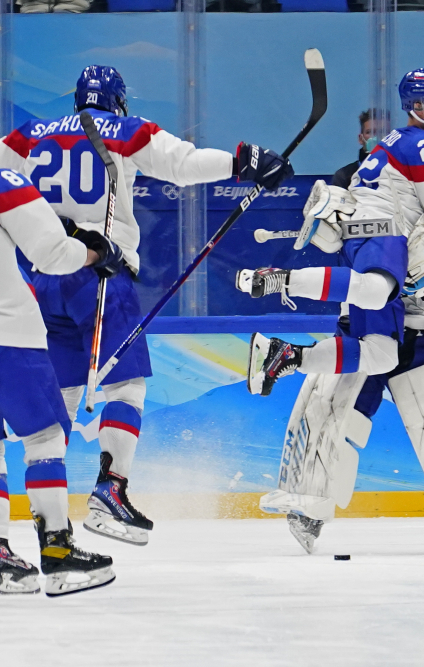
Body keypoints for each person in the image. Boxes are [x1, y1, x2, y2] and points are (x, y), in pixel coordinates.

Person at [0, 64, 293, 547]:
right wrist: (242, 160)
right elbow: (180, 162)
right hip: (100, 274)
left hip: (40, 278)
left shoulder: (30, 134)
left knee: (63, 405)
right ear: (117, 101)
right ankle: (109, 494)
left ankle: (50, 524)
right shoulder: (120, 128)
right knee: (126, 386)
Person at [274, 169, 424, 554]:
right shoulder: (384, 219)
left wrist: (421, 277)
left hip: (422, 342)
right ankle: (305, 505)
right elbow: (344, 253)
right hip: (367, 329)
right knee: (330, 409)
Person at [240, 68, 424, 396]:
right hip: (382, 234)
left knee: (381, 356)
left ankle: (288, 356)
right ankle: (282, 279)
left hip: (375, 249)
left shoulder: (393, 145)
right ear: (420, 105)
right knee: (376, 290)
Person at [0, 168, 124, 596]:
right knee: (46, 438)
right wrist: (95, 253)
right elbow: (52, 254)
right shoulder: (3, 179)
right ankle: (57, 552)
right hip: (8, 336)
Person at [331, 109, 379, 190]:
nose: (376, 137)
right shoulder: (344, 176)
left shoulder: (398, 173)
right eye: (369, 132)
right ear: (361, 139)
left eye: (381, 132)